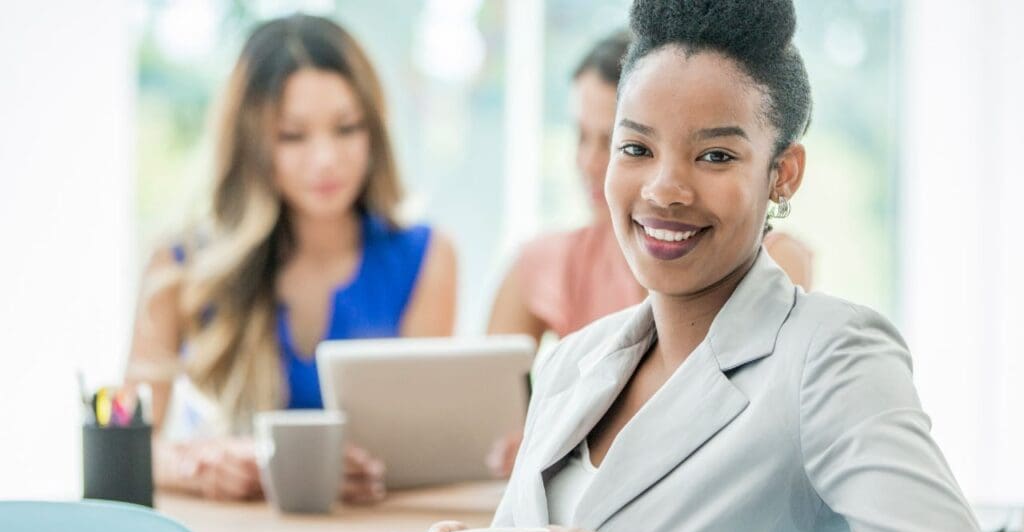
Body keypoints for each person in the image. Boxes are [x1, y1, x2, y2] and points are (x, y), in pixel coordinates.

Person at [422, 1, 995, 532]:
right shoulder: (570, 365)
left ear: (783, 173)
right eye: (637, 148)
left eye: (715, 156)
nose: (665, 189)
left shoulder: (832, 355)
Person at [123, 14, 457, 503]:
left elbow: (420, 448)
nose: (325, 159)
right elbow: (125, 444)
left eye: (346, 128)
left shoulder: (427, 257)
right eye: (292, 136)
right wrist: (199, 465)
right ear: (251, 145)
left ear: (374, 132)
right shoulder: (179, 263)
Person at [485, 29, 814, 478]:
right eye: (633, 147)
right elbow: (487, 425)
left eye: (713, 155)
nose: (587, 161)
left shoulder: (772, 267)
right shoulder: (542, 266)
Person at [487, 31, 812, 344]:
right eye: (582, 137)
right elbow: (486, 386)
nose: (588, 163)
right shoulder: (547, 261)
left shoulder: (773, 263)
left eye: (611, 141)